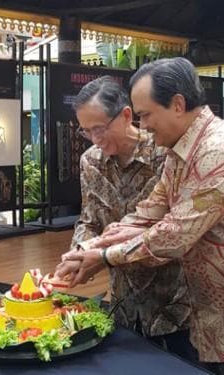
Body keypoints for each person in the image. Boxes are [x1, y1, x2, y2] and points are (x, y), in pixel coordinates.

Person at [56, 57, 224, 374]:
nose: (143, 124)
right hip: (210, 316)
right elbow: (147, 214)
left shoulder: (220, 150)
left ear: (177, 104)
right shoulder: (181, 151)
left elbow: (173, 236)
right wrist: (87, 251)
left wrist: (104, 257)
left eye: (146, 114)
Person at [57, 76, 195, 361]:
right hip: (122, 304)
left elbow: (175, 230)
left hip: (175, 305)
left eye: (99, 129)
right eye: (86, 131)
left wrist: (103, 256)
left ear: (126, 115)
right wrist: (79, 253)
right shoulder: (90, 161)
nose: (95, 139)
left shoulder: (166, 155)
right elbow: (89, 220)